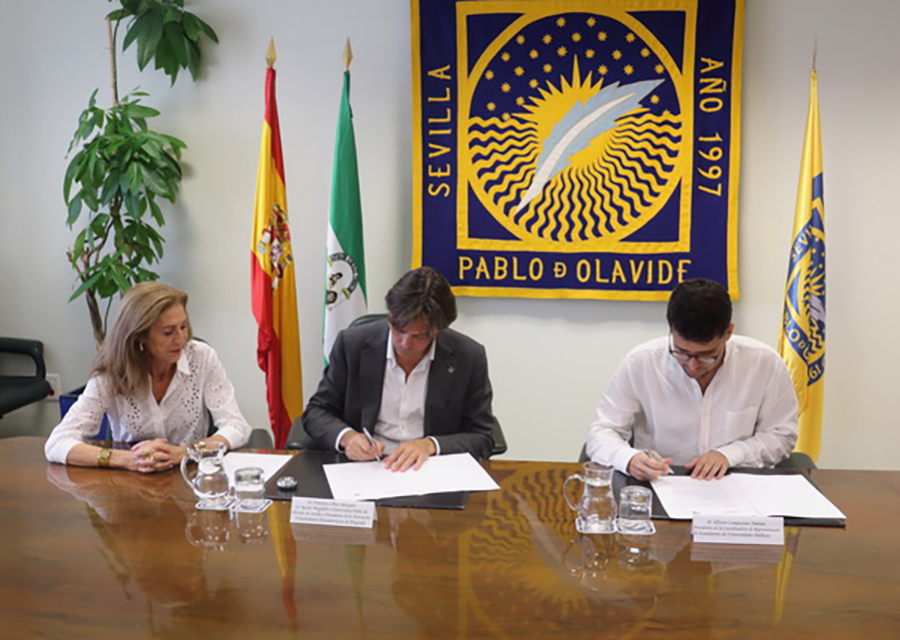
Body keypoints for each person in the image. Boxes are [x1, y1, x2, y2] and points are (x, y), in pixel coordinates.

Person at [585, 278, 798, 481]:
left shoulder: (764, 364)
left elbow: (782, 435)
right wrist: (629, 459)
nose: (693, 365)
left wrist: (731, 455)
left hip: (737, 483)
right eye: (681, 352)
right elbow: (602, 432)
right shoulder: (641, 363)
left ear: (728, 333)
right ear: (671, 331)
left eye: (707, 355)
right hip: (659, 483)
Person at [303, 266, 497, 472]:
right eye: (398, 329)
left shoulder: (468, 357)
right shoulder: (352, 345)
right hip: (365, 468)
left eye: (418, 336)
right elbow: (316, 412)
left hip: (429, 469)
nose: (404, 344)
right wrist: (347, 438)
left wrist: (430, 445)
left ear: (438, 331)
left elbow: (483, 437)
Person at [45, 282, 251, 473]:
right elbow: (57, 443)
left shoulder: (202, 357)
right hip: (130, 480)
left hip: (191, 475)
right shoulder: (111, 371)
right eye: (168, 332)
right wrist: (125, 459)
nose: (181, 339)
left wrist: (187, 452)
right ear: (140, 336)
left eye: (183, 326)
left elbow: (236, 426)